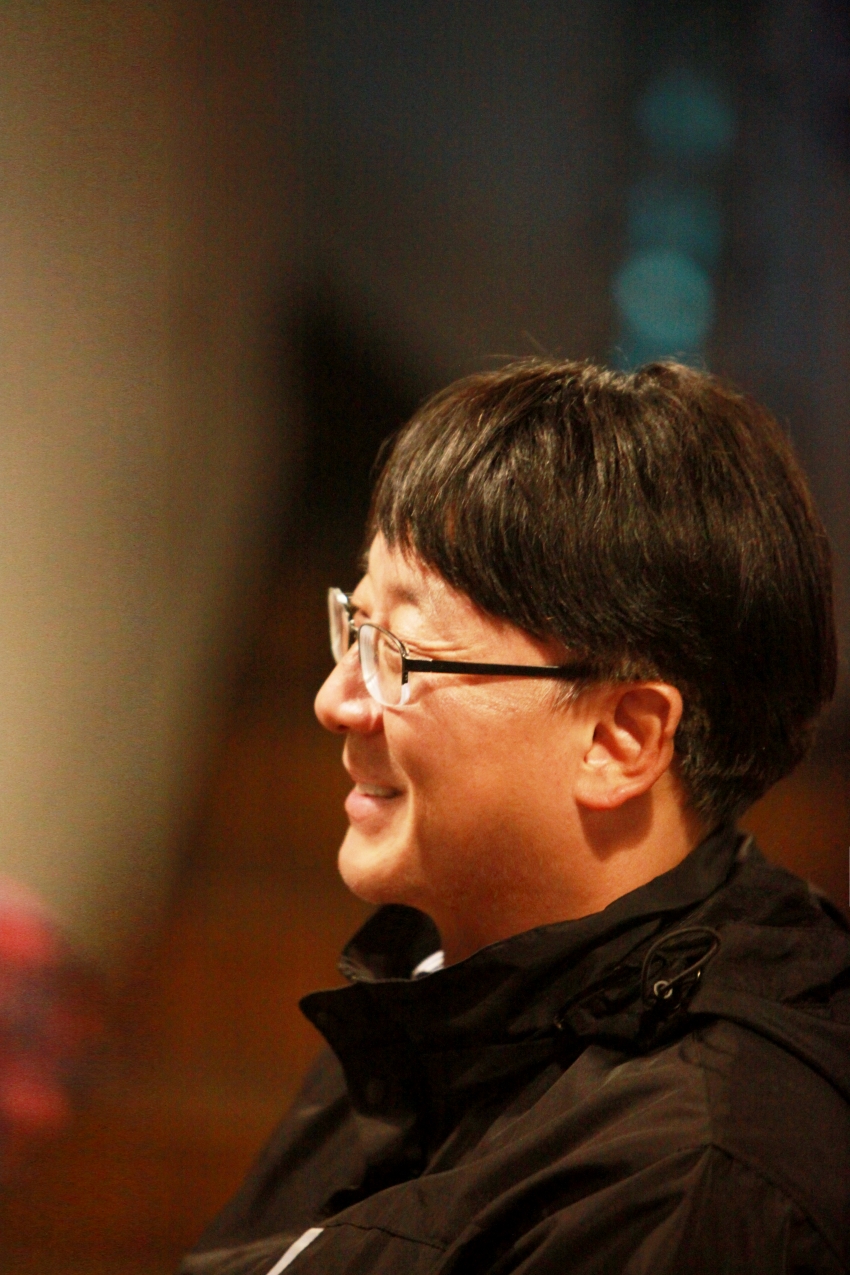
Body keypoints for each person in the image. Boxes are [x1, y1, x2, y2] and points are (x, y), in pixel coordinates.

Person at [181, 360, 849, 1274]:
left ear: (620, 737)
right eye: (356, 626)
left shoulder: (689, 1176)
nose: (336, 700)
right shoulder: (443, 999)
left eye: (398, 652)